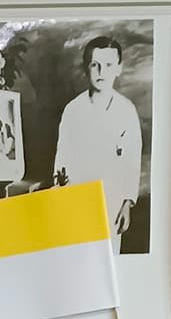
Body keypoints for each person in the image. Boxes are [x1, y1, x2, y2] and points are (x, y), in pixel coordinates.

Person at [53, 33, 143, 245]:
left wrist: (127, 202)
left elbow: (132, 159)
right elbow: (63, 155)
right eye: (95, 65)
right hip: (77, 196)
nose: (102, 72)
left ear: (119, 68)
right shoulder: (73, 110)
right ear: (86, 68)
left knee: (109, 253)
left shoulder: (126, 110)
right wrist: (61, 193)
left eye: (108, 65)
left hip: (112, 199)